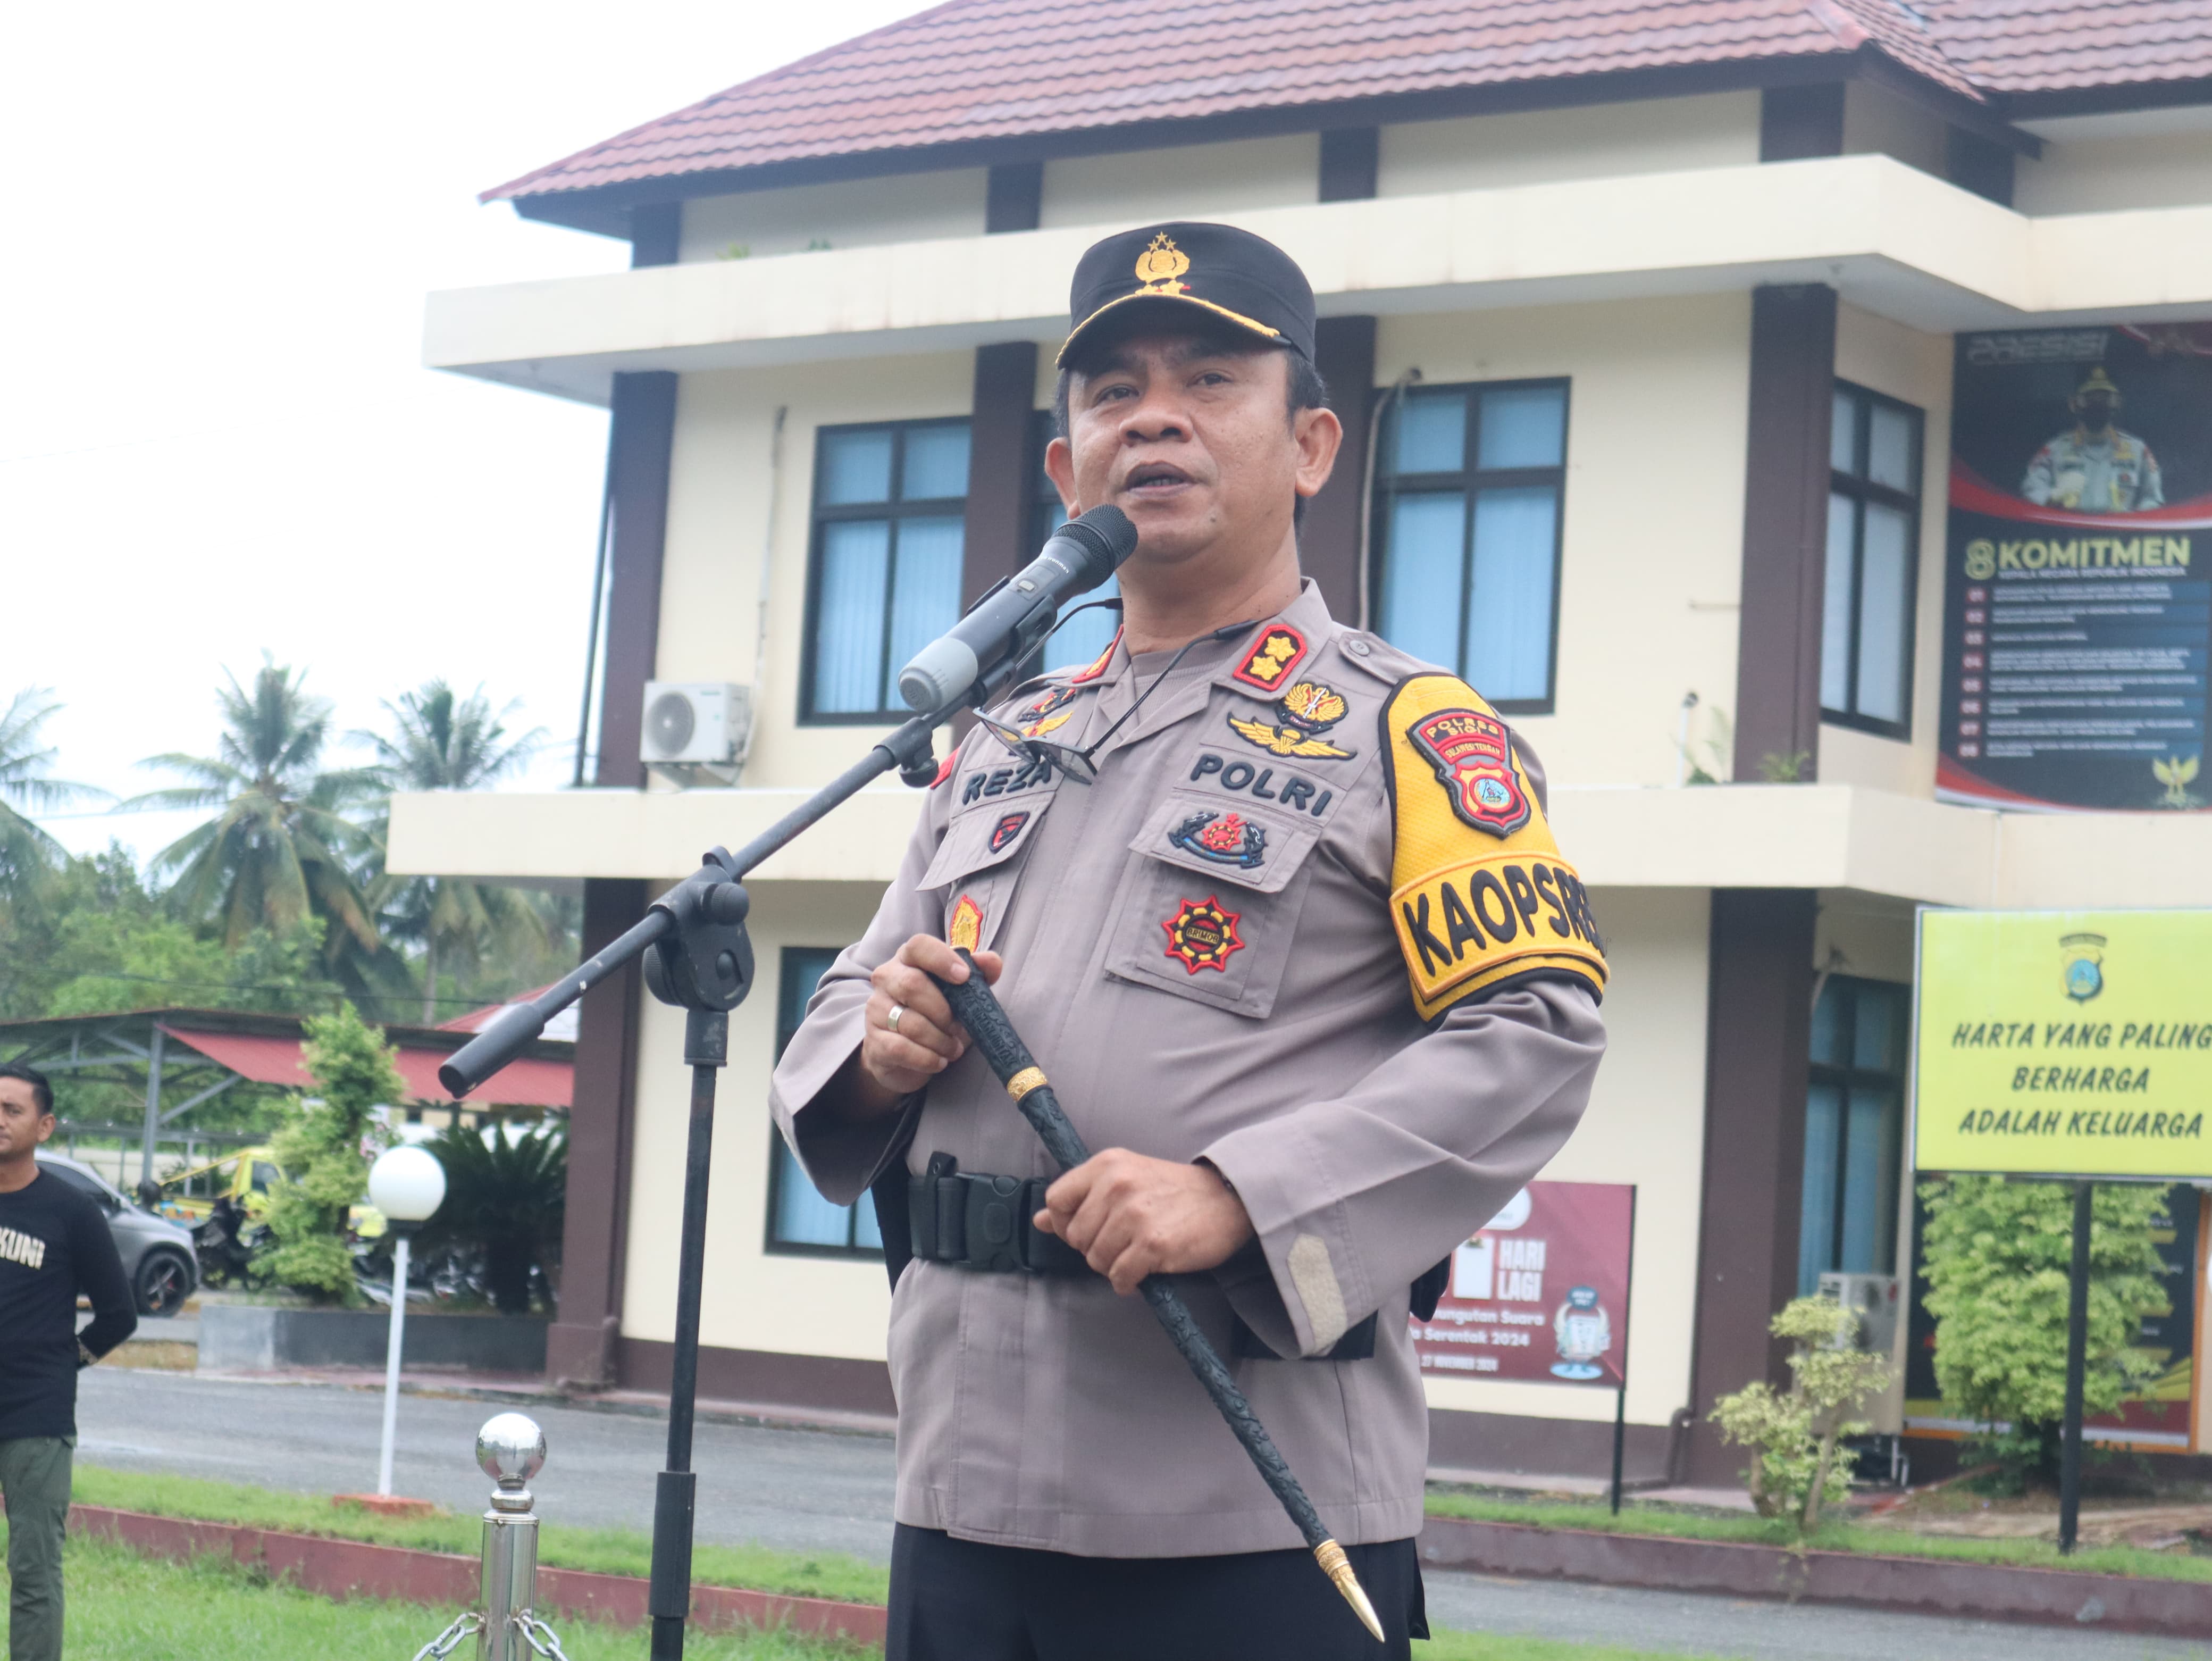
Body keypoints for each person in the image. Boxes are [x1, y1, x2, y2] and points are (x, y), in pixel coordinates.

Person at [770, 221, 1607, 1661]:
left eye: (1210, 380)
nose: (1153, 417)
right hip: (965, 1481)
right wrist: (879, 1042)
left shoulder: (1404, 730)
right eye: (1114, 393)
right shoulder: (1004, 737)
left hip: (1246, 1510)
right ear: (1068, 470)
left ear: (1312, 446)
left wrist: (1243, 1194)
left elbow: (1536, 1037)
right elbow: (857, 984)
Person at [0, 1062, 136, 1661]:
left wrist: (64, 1362)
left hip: (36, 1419)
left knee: (34, 1571)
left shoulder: (71, 1211)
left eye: (12, 1110)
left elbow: (118, 1315)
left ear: (45, 1125)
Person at [2021, 365, 2164, 511]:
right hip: (2070, 526)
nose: (2098, 404)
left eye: (2105, 399)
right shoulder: (2053, 451)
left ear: (2118, 402)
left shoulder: (2138, 451)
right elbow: (2031, 493)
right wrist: (2053, 497)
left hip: (2121, 526)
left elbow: (2153, 500)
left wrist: (2132, 518)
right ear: (2073, 403)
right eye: (2089, 399)